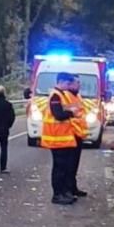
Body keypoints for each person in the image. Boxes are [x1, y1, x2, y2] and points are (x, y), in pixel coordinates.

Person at [41, 72, 80, 205]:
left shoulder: (61, 95)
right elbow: (58, 114)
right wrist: (71, 113)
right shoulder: (56, 96)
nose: (69, 86)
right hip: (56, 138)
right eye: (68, 83)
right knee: (58, 168)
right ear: (61, 81)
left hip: (62, 139)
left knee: (63, 168)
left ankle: (63, 193)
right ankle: (57, 195)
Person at [66, 74, 89, 197]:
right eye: (77, 83)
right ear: (70, 84)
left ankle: (73, 188)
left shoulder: (78, 97)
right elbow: (70, 116)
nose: (79, 85)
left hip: (78, 134)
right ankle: (68, 189)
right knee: (69, 165)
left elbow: (80, 115)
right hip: (70, 134)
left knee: (74, 164)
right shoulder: (67, 97)